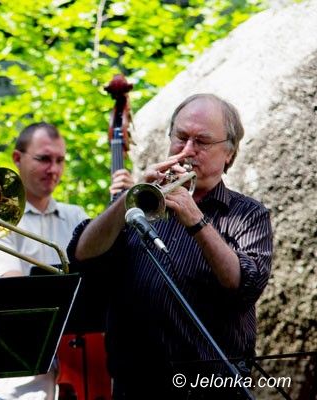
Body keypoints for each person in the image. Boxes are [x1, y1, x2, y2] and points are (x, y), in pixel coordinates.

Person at [67, 93, 273, 399]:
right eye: (181, 137)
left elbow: (245, 285)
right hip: (135, 388)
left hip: (210, 390)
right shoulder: (138, 206)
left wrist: (195, 219)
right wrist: (130, 198)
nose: (187, 150)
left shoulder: (248, 214)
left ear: (229, 153)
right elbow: (82, 254)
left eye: (202, 142)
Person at [0, 122, 89, 399]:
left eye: (60, 160)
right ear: (17, 158)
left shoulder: (76, 216)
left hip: (69, 379)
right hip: (7, 385)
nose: (54, 169)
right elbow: (13, 292)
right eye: (44, 159)